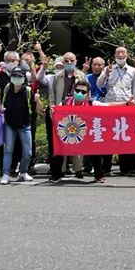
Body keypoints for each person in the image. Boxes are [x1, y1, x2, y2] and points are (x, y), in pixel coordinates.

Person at [98, 46, 135, 176]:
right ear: (114, 55)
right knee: (108, 136)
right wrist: (106, 74)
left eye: (123, 53)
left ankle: (125, 167)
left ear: (127, 55)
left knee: (124, 136)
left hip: (127, 107)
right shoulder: (108, 69)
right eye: (118, 53)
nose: (120, 55)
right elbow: (99, 84)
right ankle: (106, 167)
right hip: (110, 106)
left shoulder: (132, 71)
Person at [48, 52, 87, 182]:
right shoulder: (57, 76)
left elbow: (87, 93)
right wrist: (52, 107)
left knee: (77, 138)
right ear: (63, 62)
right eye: (66, 60)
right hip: (61, 111)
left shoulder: (81, 75)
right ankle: (61, 169)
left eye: (71, 60)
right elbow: (52, 94)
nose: (69, 62)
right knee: (62, 139)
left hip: (77, 110)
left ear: (76, 61)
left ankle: (78, 168)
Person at [0, 66, 36, 184]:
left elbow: (37, 109)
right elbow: (2, 103)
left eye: (19, 76)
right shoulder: (7, 88)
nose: (16, 78)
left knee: (28, 152)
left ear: (24, 78)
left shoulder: (29, 91)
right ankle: (5, 174)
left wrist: (38, 99)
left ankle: (23, 172)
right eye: (14, 76)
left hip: (24, 125)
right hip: (9, 123)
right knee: (8, 150)